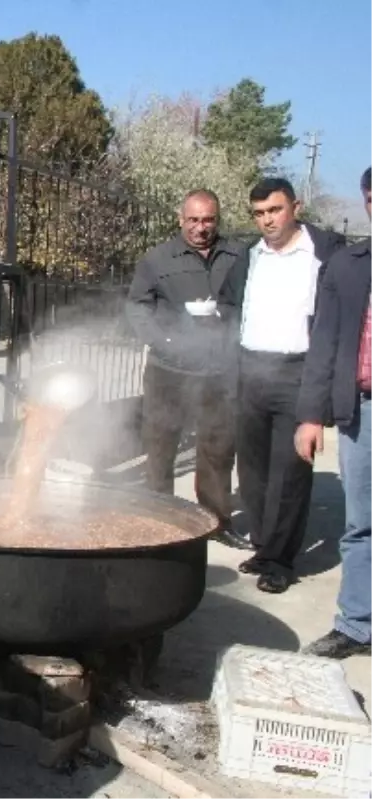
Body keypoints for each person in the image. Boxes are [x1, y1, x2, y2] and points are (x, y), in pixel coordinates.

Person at [217, 178, 346, 593]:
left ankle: (280, 561)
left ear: (295, 206)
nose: (267, 220)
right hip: (250, 370)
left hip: (298, 372)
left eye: (275, 210)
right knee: (252, 471)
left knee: (290, 471)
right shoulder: (250, 256)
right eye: (259, 213)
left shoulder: (323, 254)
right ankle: (263, 545)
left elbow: (337, 320)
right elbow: (227, 303)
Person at [125, 188, 246, 549]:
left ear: (218, 220)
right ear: (181, 220)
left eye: (208, 220)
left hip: (219, 370)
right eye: (193, 220)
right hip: (169, 369)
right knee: (160, 445)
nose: (201, 228)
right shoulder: (157, 259)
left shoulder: (239, 256)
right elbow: (137, 307)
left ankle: (217, 522)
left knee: (218, 449)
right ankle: (159, 518)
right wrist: (163, 342)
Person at [296, 167, 372, 658]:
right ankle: (357, 624)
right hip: (362, 413)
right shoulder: (347, 266)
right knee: (361, 523)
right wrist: (310, 415)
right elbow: (322, 344)